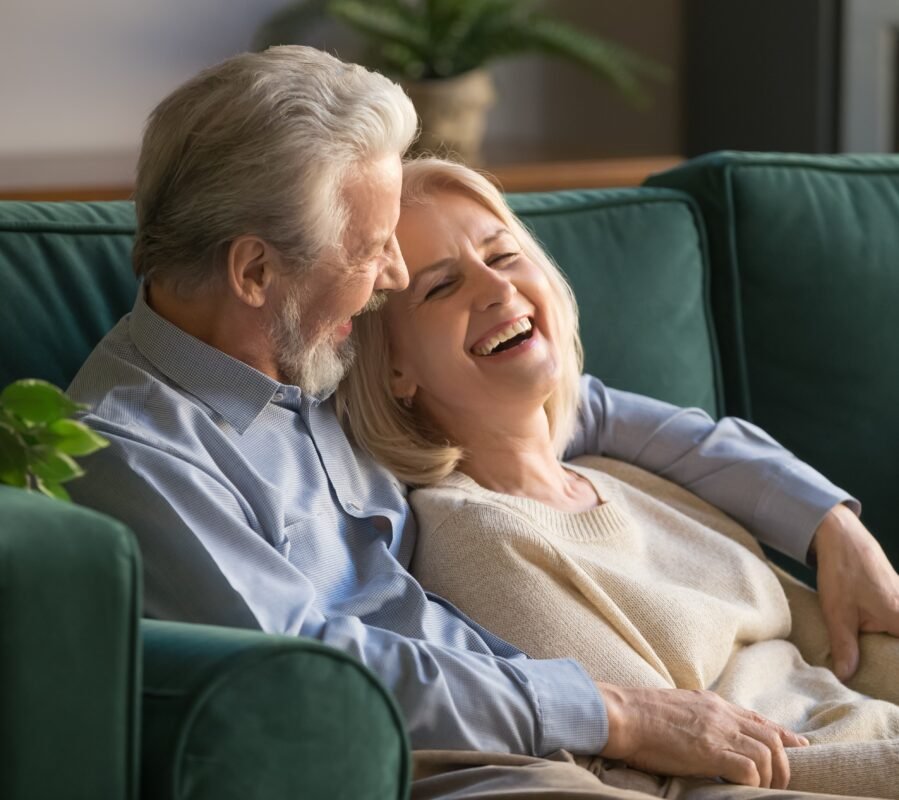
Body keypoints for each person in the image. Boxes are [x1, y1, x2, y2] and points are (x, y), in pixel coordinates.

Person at [66, 46, 895, 798]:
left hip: (534, 722)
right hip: (423, 759)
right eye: (370, 248)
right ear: (255, 272)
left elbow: (585, 407)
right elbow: (315, 669)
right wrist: (617, 716)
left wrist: (825, 521)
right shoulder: (134, 452)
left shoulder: (309, 344)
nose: (389, 274)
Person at [337, 157, 899, 798]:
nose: (496, 290)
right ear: (393, 371)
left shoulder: (621, 471)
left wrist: (832, 525)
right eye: (441, 287)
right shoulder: (473, 534)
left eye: (504, 255)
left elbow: (847, 649)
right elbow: (674, 767)